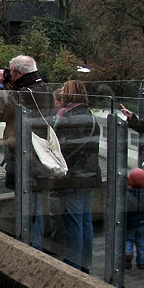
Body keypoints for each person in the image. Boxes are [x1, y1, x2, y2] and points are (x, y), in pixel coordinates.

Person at [0, 55, 55, 251]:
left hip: (24, 158)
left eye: (11, 72)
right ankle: (36, 249)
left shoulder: (24, 94)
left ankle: (30, 252)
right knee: (35, 207)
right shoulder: (45, 88)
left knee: (29, 210)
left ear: (19, 73)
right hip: (38, 157)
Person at [52, 79, 101, 272]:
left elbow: (59, 148)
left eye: (64, 90)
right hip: (89, 175)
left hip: (72, 177)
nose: (61, 93)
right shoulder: (91, 116)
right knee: (85, 220)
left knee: (72, 222)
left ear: (70, 93)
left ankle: (73, 264)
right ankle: (85, 262)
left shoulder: (66, 117)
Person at [125, 168, 144, 270]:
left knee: (128, 239)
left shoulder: (128, 193)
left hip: (131, 222)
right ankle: (141, 261)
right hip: (143, 221)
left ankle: (128, 252)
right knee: (141, 241)